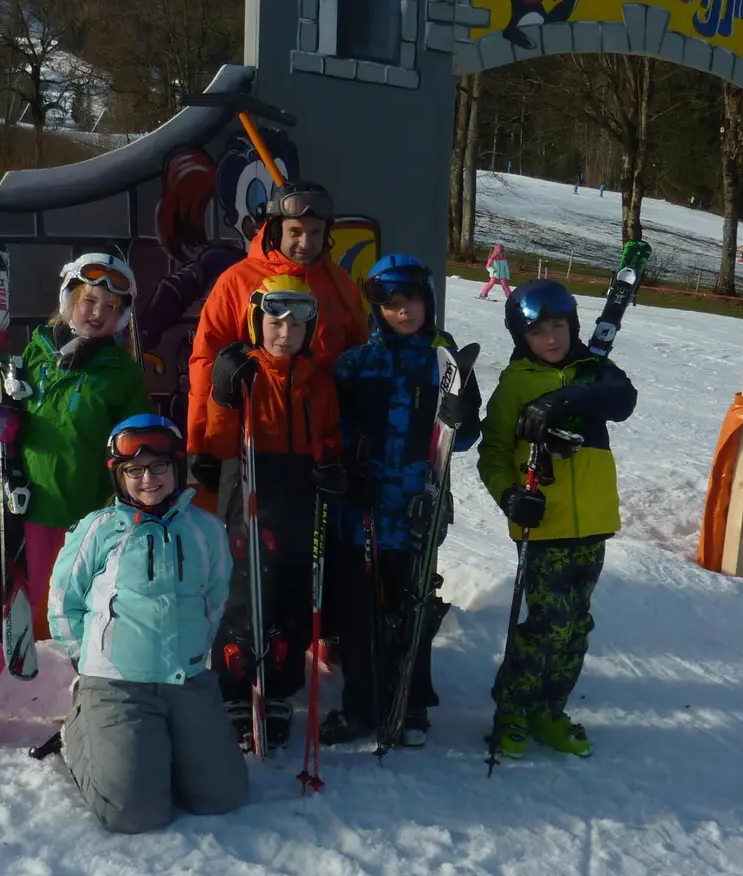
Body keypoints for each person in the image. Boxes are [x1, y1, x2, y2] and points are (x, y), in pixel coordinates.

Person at [0, 253, 153, 747]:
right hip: (31, 504)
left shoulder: (121, 374)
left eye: (110, 306)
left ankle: (103, 697)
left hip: (95, 513)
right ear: (68, 301)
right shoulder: (32, 354)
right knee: (14, 600)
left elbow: (134, 440)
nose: (97, 312)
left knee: (101, 604)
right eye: (88, 300)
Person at [49, 414, 247, 834]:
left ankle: (158, 750)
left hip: (188, 679)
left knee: (222, 797)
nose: (147, 479)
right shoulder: (98, 530)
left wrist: (192, 652)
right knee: (135, 813)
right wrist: (88, 661)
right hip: (117, 683)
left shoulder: (206, 530)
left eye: (158, 467)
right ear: (119, 477)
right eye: (133, 470)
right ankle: (82, 726)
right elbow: (64, 604)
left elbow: (214, 597)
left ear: (176, 468)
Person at [319, 254, 480, 749]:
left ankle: (409, 703)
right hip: (360, 512)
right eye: (391, 305)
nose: (403, 313)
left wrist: (462, 408)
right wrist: (348, 472)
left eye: (411, 302)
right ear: (377, 310)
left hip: (416, 509)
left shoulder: (442, 364)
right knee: (359, 615)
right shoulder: (355, 364)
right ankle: (361, 706)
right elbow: (332, 430)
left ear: (427, 303)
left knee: (411, 609)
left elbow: (466, 436)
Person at [477, 279, 637, 762]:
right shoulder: (515, 384)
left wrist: (567, 401)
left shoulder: (594, 370)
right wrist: (509, 496)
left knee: (576, 626)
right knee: (550, 623)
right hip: (542, 525)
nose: (551, 338)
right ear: (520, 337)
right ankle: (514, 710)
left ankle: (549, 709)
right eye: (538, 331)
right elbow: (495, 453)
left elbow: (623, 399)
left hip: (592, 523)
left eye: (559, 326)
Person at [195, 274, 344, 751]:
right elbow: (218, 443)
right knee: (244, 592)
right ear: (257, 323)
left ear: (310, 328)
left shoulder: (319, 383)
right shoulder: (244, 372)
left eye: (296, 324)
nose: (285, 332)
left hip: (298, 497)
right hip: (248, 490)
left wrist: (331, 464)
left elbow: (330, 434)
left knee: (292, 595)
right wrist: (221, 393)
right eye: (274, 322)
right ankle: (236, 687)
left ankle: (278, 687)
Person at [185, 179, 366, 503]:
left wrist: (347, 449)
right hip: (250, 443)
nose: (305, 242)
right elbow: (206, 361)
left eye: (314, 232)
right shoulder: (238, 281)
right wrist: (202, 445)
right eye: (296, 232)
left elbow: (359, 361)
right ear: (276, 229)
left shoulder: (340, 284)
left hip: (315, 446)